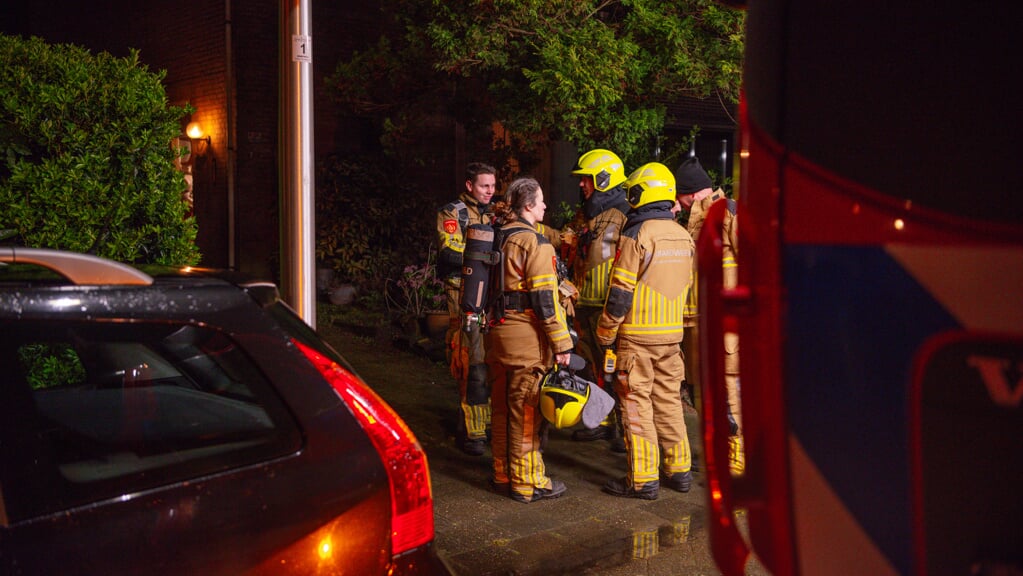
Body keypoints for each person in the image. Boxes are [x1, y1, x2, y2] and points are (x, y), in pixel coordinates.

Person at [597, 162, 695, 499]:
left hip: (637, 338)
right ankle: (680, 471)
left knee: (637, 407)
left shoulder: (637, 234)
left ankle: (642, 480)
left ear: (642, 194)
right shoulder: (684, 235)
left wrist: (605, 333)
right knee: (669, 402)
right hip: (672, 337)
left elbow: (620, 294)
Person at [485, 176, 574, 503]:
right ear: (527, 206)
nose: (545, 206)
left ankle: (502, 473)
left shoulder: (496, 235)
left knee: (500, 409)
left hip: (495, 334)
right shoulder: (534, 243)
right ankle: (527, 482)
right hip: (525, 340)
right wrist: (562, 344)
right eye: (541, 201)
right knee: (525, 411)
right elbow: (545, 301)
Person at [675, 156, 744, 475]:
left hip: (725, 328)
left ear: (689, 194)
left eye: (679, 198)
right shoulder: (695, 222)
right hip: (698, 329)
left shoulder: (727, 212)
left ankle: (738, 460)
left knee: (729, 394)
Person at [567, 148, 631, 450]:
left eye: (587, 179)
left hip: (606, 306)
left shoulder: (622, 215)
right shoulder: (589, 214)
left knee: (613, 367)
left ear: (603, 180)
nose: (582, 185)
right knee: (591, 367)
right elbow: (571, 243)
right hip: (586, 303)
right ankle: (601, 421)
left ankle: (622, 426)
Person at [436, 162, 497, 456]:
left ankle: (486, 425)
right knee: (470, 361)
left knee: (490, 362)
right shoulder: (453, 212)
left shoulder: (498, 213)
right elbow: (449, 252)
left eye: (494, 186)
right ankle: (474, 432)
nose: (490, 191)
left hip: (491, 297)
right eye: (485, 185)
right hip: (462, 293)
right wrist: (489, 256)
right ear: (470, 185)